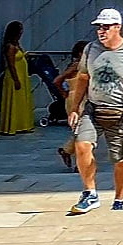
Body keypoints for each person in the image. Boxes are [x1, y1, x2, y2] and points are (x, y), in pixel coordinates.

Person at [67, 8, 123, 215]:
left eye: (106, 27)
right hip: (93, 110)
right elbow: (83, 77)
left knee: (120, 158)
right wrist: (75, 108)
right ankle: (90, 193)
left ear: (117, 27)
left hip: (121, 112)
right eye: (99, 27)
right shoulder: (90, 49)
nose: (101, 31)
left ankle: (119, 197)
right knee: (82, 146)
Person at [0, 21, 36, 135]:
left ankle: (22, 124)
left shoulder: (17, 44)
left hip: (22, 74)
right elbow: (11, 64)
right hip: (14, 76)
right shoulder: (10, 47)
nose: (21, 33)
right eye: (19, 31)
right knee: (14, 101)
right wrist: (16, 79)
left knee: (22, 100)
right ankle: (11, 126)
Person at [53, 41, 86, 171]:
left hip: (83, 98)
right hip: (74, 99)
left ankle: (66, 151)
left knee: (83, 130)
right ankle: (80, 163)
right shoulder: (76, 65)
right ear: (79, 53)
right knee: (81, 131)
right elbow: (57, 81)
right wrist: (64, 94)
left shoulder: (85, 65)